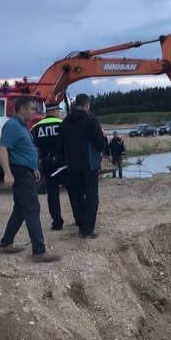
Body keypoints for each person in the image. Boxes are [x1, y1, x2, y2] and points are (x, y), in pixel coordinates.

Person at [0, 96, 60, 261]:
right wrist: (7, 173)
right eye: (32, 109)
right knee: (32, 208)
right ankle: (39, 251)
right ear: (22, 109)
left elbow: (25, 149)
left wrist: (34, 168)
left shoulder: (23, 126)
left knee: (20, 209)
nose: (35, 112)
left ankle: (5, 244)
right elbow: (2, 149)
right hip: (20, 172)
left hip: (27, 171)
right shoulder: (12, 126)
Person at [60, 94, 105, 238]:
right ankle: (88, 229)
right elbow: (99, 142)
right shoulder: (91, 120)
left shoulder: (65, 121)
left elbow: (60, 145)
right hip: (90, 164)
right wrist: (103, 145)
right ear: (87, 105)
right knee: (91, 198)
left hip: (72, 165)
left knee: (77, 196)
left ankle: (80, 225)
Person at [31, 103, 79, 231]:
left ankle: (57, 222)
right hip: (63, 164)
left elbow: (33, 148)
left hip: (46, 165)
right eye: (58, 110)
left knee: (52, 194)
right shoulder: (63, 124)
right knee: (73, 191)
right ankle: (79, 218)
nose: (59, 112)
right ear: (55, 111)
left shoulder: (35, 128)